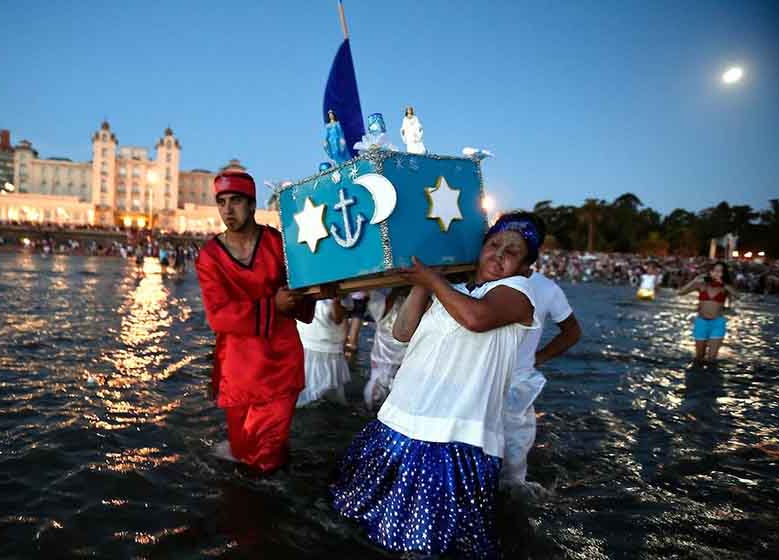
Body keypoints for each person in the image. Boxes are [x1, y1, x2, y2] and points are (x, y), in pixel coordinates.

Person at [330, 212, 542, 557]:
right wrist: (423, 282)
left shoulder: (520, 293)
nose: (499, 254)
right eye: (494, 245)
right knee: (365, 528)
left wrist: (432, 279)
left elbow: (476, 318)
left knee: (429, 545)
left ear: (526, 268)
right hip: (399, 421)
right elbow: (402, 332)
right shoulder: (452, 289)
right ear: (480, 248)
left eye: (513, 251)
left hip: (453, 438)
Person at [196, 171, 315, 474]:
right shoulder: (209, 256)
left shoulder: (277, 243)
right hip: (238, 369)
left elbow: (302, 286)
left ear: (251, 205)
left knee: (267, 455)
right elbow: (218, 315)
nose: (227, 210)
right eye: (222, 202)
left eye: (235, 201)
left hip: (280, 365)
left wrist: (314, 290)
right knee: (242, 450)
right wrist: (274, 305)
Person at [501, 269, 581, 494]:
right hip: (484, 382)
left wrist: (538, 358)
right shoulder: (479, 276)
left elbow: (572, 332)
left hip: (517, 387)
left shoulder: (546, 288)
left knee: (511, 477)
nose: (501, 255)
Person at [296, 296, 352, 407]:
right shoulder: (305, 291)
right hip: (307, 343)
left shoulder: (341, 294)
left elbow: (338, 319)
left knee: (323, 390)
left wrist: (336, 299)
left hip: (328, 346)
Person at [678, 261, 738, 364]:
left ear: (724, 274)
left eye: (720, 271)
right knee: (699, 357)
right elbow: (680, 292)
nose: (717, 273)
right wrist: (694, 281)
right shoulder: (701, 285)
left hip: (717, 323)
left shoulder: (725, 287)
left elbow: (738, 296)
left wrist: (724, 284)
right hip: (701, 322)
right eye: (714, 271)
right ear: (710, 272)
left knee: (711, 359)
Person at [362, 287, 409, 410]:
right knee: (374, 398)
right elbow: (384, 310)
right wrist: (398, 289)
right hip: (383, 356)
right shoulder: (381, 298)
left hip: (402, 358)